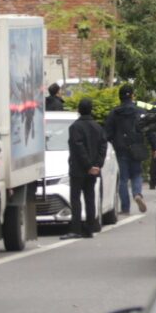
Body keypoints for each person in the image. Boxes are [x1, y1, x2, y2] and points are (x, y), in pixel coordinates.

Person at [65, 98, 107, 238]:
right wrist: (97, 165)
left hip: (78, 169)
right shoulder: (98, 127)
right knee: (90, 197)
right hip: (93, 169)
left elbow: (78, 148)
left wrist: (87, 165)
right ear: (91, 110)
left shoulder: (75, 127)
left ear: (78, 110)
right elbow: (103, 146)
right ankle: (90, 227)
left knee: (75, 198)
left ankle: (76, 228)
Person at [107, 84, 149, 214]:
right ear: (132, 95)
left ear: (119, 96)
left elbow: (107, 133)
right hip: (136, 147)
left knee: (123, 179)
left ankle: (125, 208)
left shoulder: (114, 113)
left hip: (120, 149)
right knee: (136, 174)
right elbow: (148, 130)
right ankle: (137, 194)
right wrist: (154, 146)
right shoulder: (140, 112)